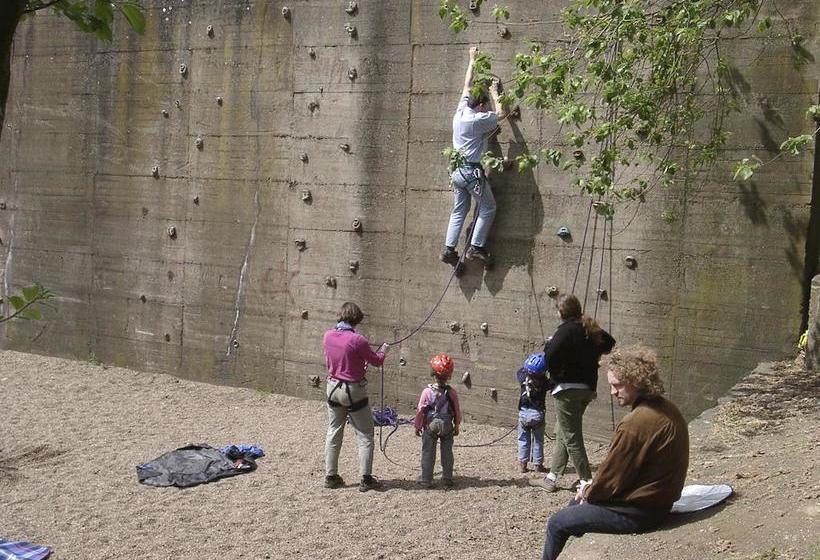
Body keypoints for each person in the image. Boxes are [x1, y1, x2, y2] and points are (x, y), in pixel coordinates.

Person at [541, 346, 690, 560]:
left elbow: (610, 480)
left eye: (618, 385)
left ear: (637, 382)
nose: (613, 392)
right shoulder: (666, 408)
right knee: (574, 508)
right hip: (658, 503)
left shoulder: (636, 423)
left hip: (640, 512)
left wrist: (588, 492)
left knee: (557, 523)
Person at [530, 294, 615, 492]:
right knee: (563, 432)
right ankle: (551, 478)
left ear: (561, 312)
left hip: (566, 390)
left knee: (572, 436)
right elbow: (610, 343)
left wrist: (555, 361)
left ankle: (587, 482)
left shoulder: (565, 331)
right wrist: (591, 354)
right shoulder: (589, 329)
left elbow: (549, 356)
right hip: (586, 389)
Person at [440, 45, 508, 268]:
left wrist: (472, 59)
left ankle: (449, 249)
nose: (485, 108)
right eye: (484, 104)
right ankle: (476, 246)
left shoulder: (460, 112)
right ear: (480, 105)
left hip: (457, 170)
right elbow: (501, 114)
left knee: (460, 208)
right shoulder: (477, 120)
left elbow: (467, 84)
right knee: (488, 207)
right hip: (470, 170)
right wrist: (496, 93)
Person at [322, 302, 389, 492]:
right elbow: (377, 361)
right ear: (356, 319)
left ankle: (331, 476)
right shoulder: (358, 340)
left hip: (333, 387)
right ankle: (366, 479)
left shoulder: (327, 336)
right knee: (365, 434)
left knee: (334, 431)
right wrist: (384, 350)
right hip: (353, 390)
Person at [414, 353, 463, 488]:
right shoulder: (451, 392)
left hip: (431, 424)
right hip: (447, 424)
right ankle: (447, 478)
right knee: (447, 452)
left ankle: (426, 479)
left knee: (428, 451)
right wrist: (457, 425)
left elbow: (421, 410)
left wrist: (417, 425)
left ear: (433, 373)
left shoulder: (427, 392)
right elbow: (457, 410)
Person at [516, 352, 550, 473]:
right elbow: (553, 382)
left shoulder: (522, 378)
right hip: (537, 414)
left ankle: (522, 464)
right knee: (538, 440)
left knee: (523, 439)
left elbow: (520, 371)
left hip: (524, 414)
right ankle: (538, 465)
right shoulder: (545, 382)